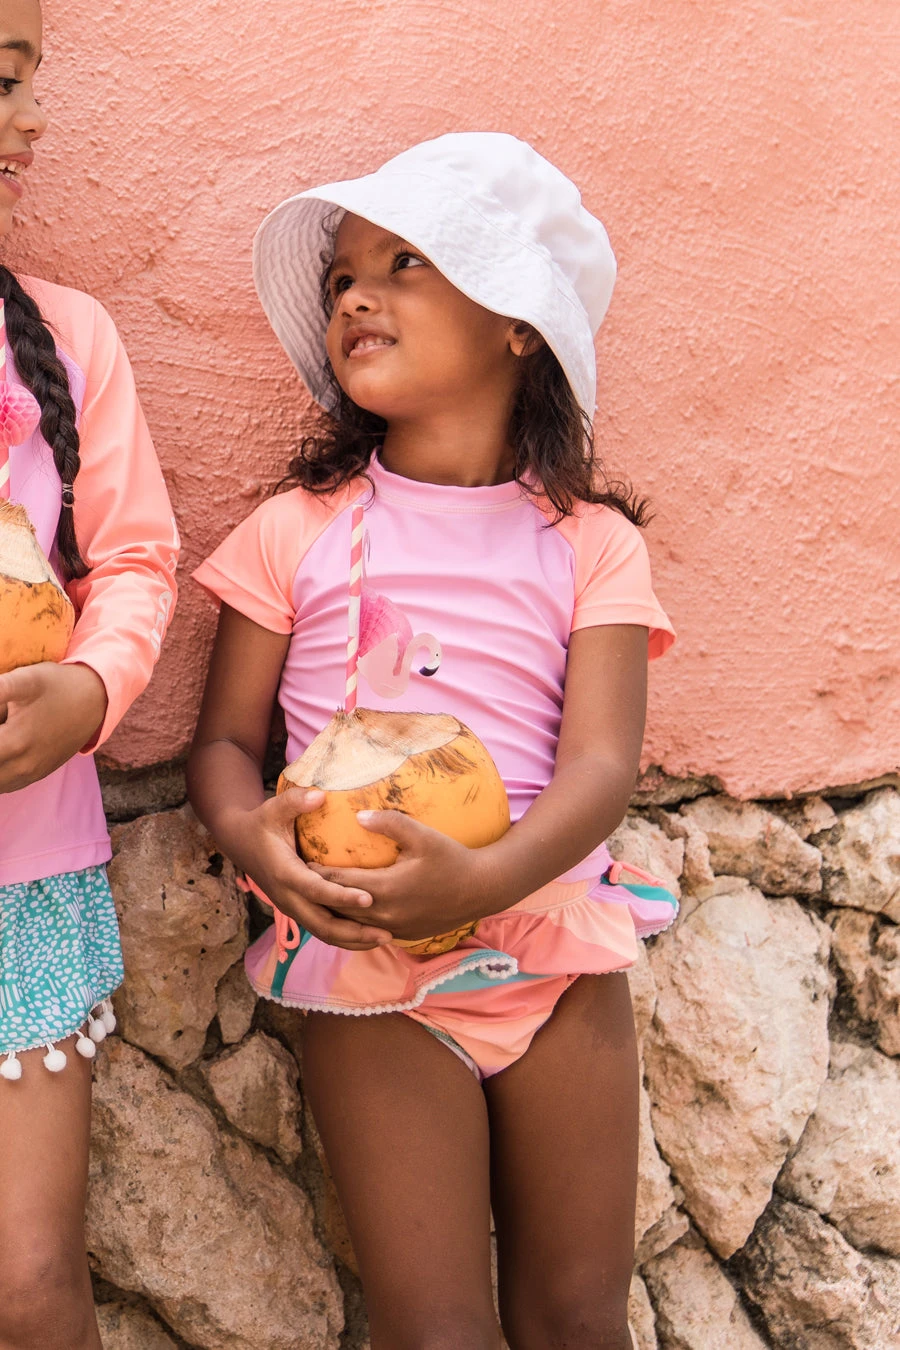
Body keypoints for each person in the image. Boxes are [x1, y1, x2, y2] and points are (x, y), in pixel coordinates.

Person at [188, 132, 676, 1350]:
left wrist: (484, 879)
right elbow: (224, 745)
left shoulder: (591, 545)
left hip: (553, 949)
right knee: (436, 1329)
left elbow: (601, 769)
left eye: (404, 263)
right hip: (372, 966)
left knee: (578, 1318)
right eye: (342, 277)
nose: (357, 294)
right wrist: (255, 839)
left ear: (519, 323)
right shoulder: (295, 532)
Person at [0, 2, 179, 1345]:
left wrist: (90, 691)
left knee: (27, 1276)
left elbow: (136, 559)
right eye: (3, 80)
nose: (33, 118)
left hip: (21, 875)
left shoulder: (65, 339)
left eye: (29, 78)